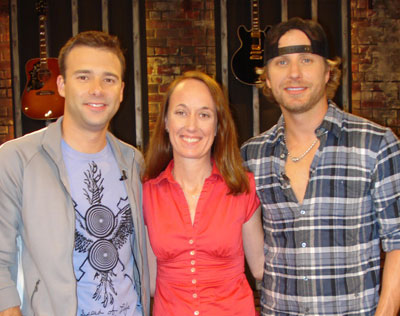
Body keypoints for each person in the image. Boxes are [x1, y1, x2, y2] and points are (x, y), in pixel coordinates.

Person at [241, 17, 400, 316]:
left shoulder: (376, 145)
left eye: (306, 60)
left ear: (328, 71)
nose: (295, 74)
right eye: (282, 63)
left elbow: (398, 242)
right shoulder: (252, 156)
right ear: (268, 78)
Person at [0, 31, 150, 316]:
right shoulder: (16, 159)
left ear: (121, 90)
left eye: (109, 79)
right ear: (62, 84)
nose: (97, 89)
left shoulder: (133, 162)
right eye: (83, 77)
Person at [142, 70, 264, 315]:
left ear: (218, 125)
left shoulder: (243, 187)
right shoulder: (146, 194)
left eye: (204, 114)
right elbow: (149, 281)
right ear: (166, 121)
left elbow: (261, 268)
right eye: (181, 112)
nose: (192, 125)